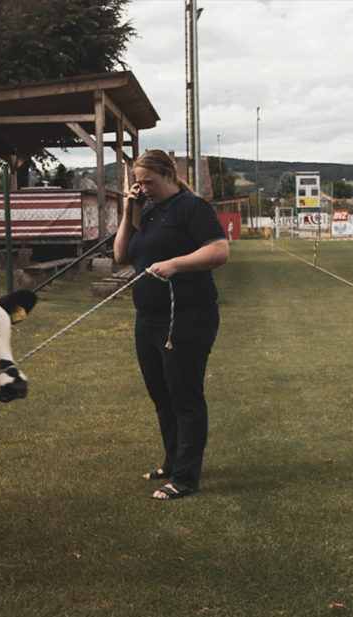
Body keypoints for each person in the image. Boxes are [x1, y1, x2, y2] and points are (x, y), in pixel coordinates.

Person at [114, 150, 230, 500]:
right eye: (138, 182)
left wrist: (176, 264)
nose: (143, 187)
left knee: (185, 396)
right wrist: (127, 211)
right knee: (161, 395)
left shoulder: (192, 208)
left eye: (149, 181)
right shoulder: (146, 210)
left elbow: (220, 251)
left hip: (187, 317)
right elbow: (122, 255)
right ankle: (172, 460)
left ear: (169, 175)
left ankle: (185, 477)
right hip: (148, 318)